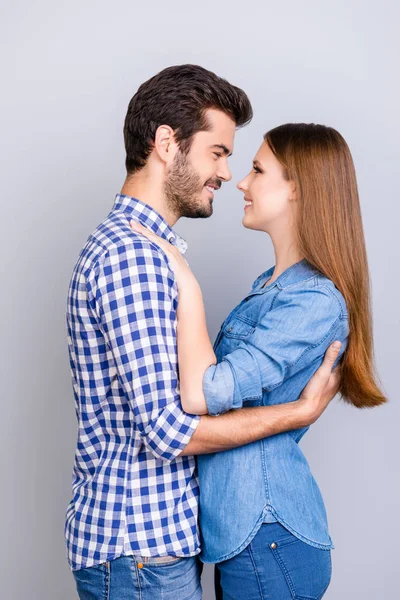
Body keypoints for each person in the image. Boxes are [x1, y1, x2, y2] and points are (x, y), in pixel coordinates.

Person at [65, 65, 343, 600]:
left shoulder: (147, 252)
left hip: (149, 548)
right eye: (217, 152)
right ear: (167, 144)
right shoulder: (135, 258)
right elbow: (170, 432)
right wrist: (298, 414)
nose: (227, 173)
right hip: (141, 549)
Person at [131, 122, 386, 599]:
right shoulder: (271, 285)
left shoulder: (313, 301)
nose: (241, 183)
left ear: (298, 189)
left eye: (256, 169)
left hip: (268, 534)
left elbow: (201, 393)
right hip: (240, 535)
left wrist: (186, 286)